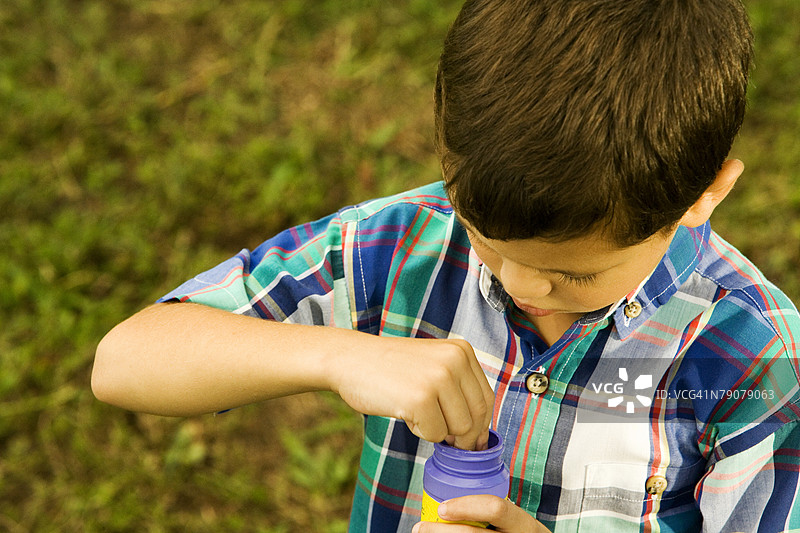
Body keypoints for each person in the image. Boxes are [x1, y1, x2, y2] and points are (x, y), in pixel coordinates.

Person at [92, 0, 800, 531]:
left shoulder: (754, 361)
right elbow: (124, 361)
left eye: (575, 275)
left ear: (704, 194)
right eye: (484, 237)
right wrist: (337, 355)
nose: (517, 285)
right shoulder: (402, 245)